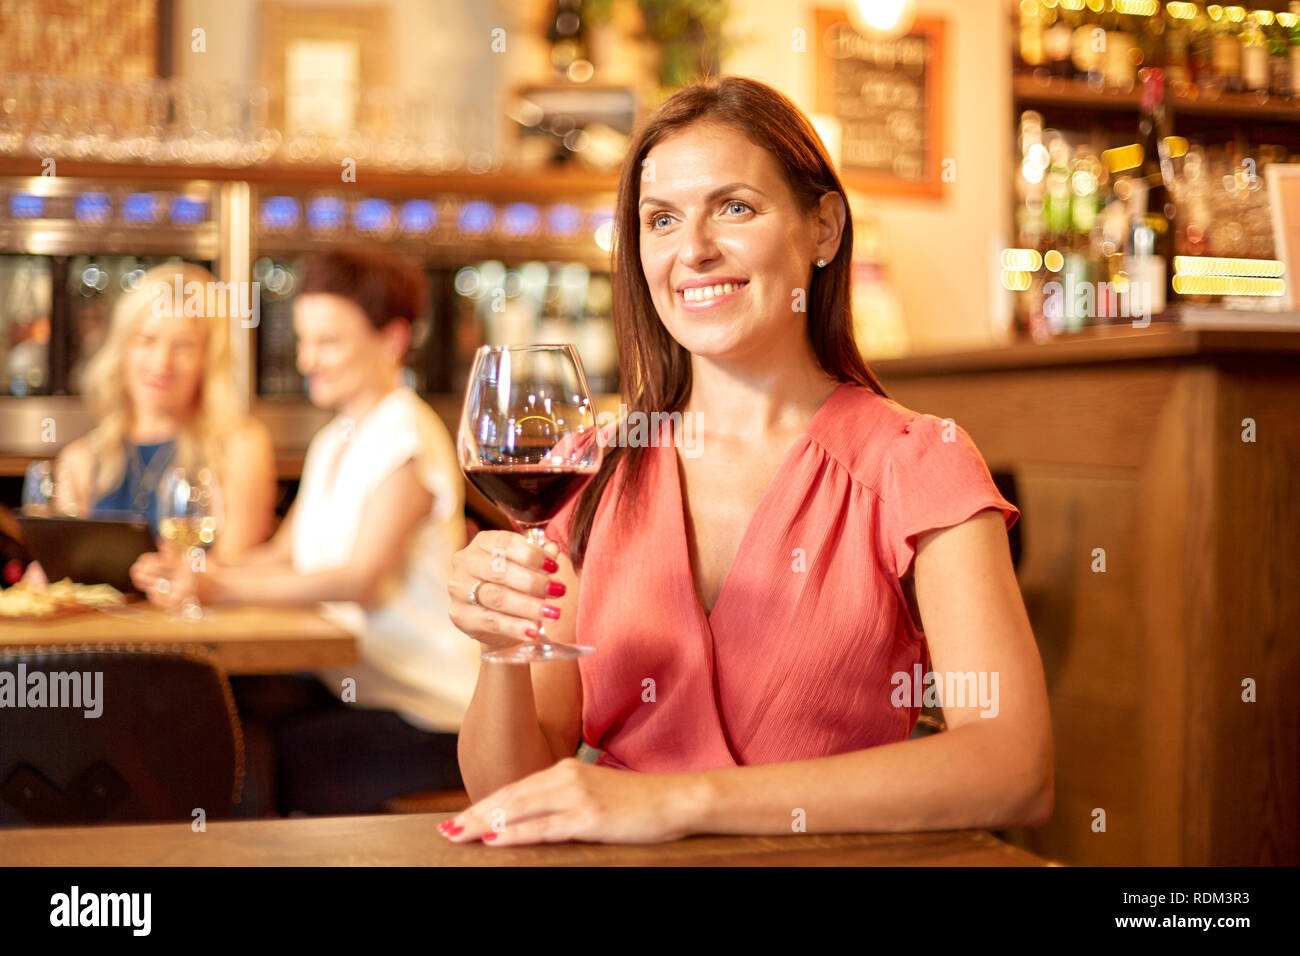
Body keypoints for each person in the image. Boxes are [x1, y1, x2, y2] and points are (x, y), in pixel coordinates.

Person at [441, 76, 1053, 846]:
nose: (694, 250)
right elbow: (509, 796)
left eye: (734, 208)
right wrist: (502, 648)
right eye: (662, 220)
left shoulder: (917, 462)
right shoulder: (589, 473)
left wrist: (679, 803)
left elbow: (1015, 767)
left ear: (823, 227)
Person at [131, 246, 476, 815]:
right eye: (305, 340)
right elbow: (283, 554)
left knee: (249, 751)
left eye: (330, 342)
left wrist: (218, 588)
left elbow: (360, 579)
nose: (307, 359)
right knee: (216, 715)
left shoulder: (407, 435)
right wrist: (190, 569)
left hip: (427, 713)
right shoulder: (336, 436)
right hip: (356, 686)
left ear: (391, 340)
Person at [32, 260, 275, 573]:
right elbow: (70, 579)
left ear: (208, 360)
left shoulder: (242, 447)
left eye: (184, 347)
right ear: (122, 349)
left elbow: (239, 572)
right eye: (147, 340)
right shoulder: (80, 461)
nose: (162, 364)